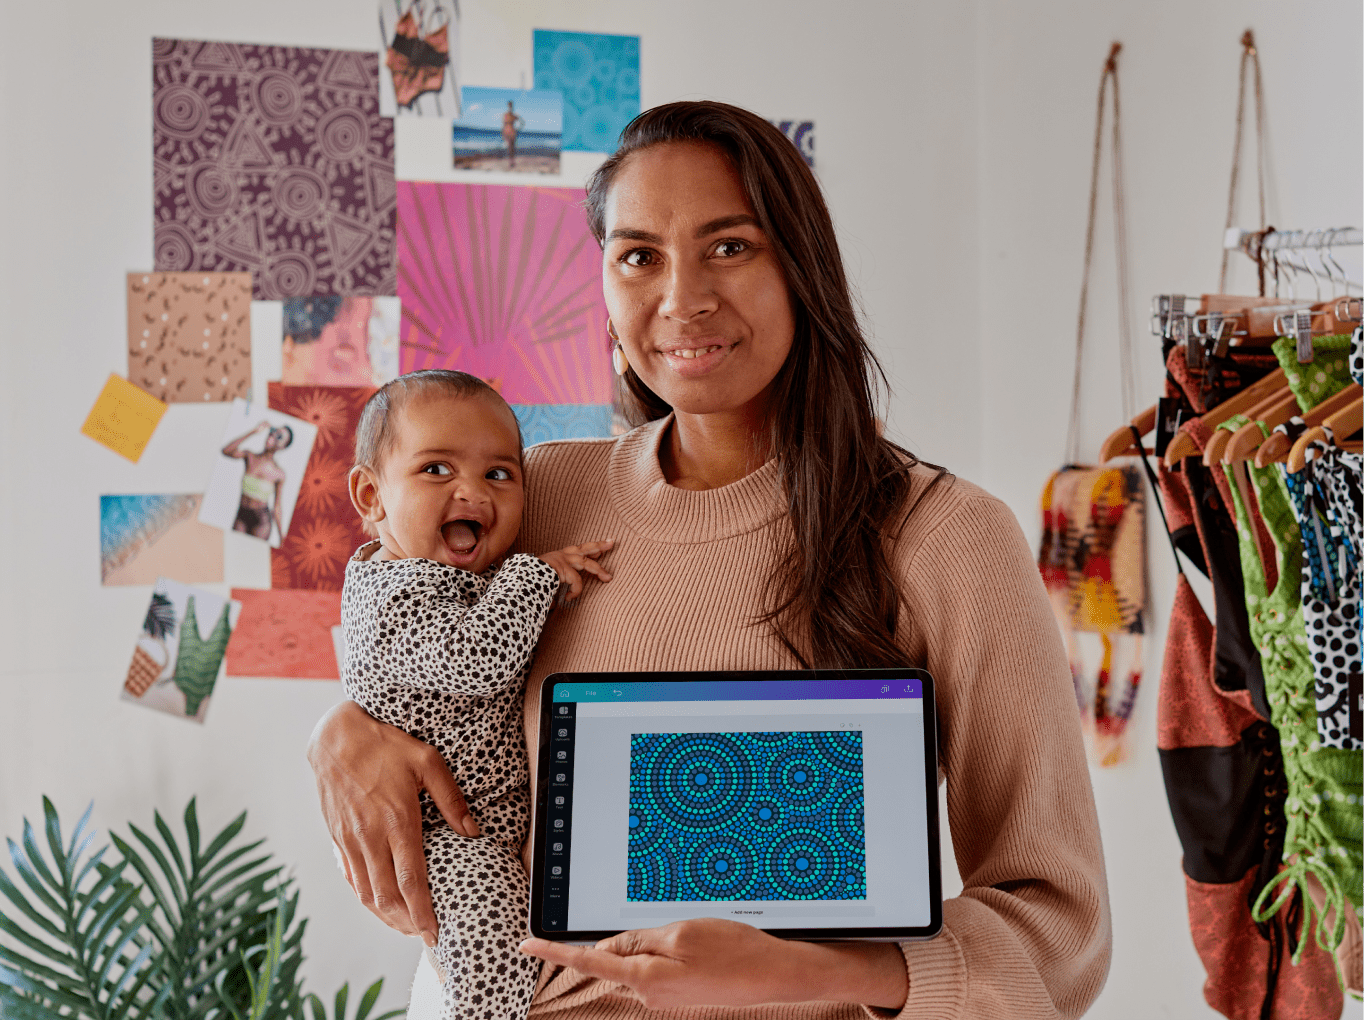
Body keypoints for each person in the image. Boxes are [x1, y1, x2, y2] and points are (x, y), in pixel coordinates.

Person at [309, 101, 1112, 1019]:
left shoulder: (946, 534)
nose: (681, 298)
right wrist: (342, 730)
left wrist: (816, 971)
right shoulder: (539, 496)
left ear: (802, 267)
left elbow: (1066, 934)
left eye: (729, 246)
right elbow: (418, 648)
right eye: (638, 255)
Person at [341, 369, 614, 1020]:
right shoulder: (391, 595)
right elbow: (476, 661)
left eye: (499, 474)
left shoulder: (447, 576)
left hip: (486, 827)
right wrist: (533, 572)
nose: (473, 492)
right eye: (436, 469)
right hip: (445, 834)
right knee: (498, 950)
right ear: (371, 496)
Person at [222, 421, 291, 541]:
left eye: (279, 436)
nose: (273, 435)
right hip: (242, 513)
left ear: (283, 447)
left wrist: (282, 537)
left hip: (261, 520)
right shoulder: (250, 457)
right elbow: (226, 451)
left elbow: (277, 507)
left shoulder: (279, 474)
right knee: (234, 548)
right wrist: (252, 432)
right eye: (274, 431)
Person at [502, 101, 525, 168]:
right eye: (509, 105)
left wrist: (518, 129)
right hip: (507, 132)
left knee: (512, 148)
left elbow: (522, 122)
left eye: (511, 106)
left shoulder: (513, 115)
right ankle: (511, 161)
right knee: (509, 147)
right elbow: (503, 125)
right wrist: (503, 133)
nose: (510, 107)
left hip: (512, 132)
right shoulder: (506, 115)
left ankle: (512, 161)